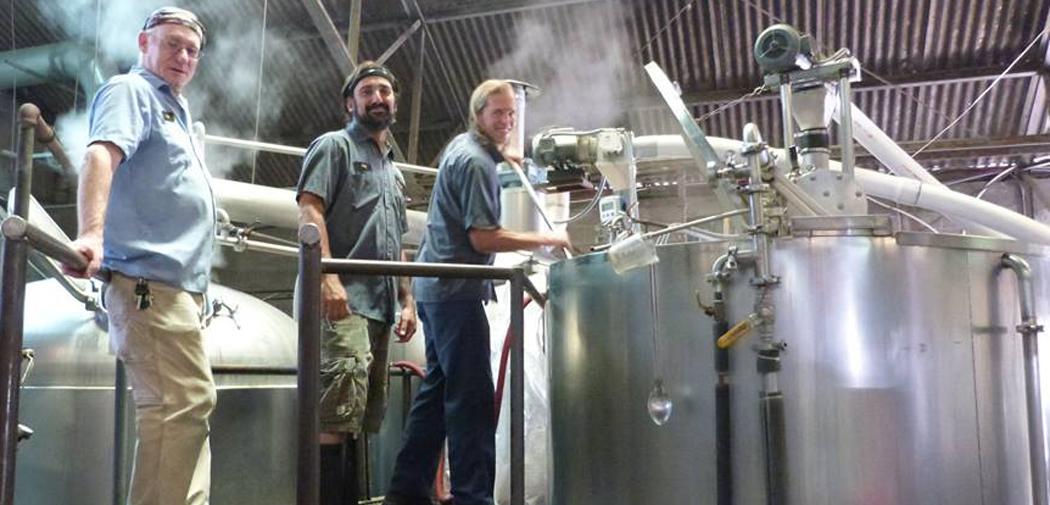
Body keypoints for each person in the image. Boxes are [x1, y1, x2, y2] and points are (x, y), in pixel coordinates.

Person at [385, 80, 571, 505]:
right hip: (456, 294)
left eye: (511, 114)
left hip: (434, 290)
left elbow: (489, 162)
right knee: (470, 402)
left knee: (436, 395)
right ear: (478, 115)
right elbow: (483, 238)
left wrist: (504, 155)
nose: (506, 121)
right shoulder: (475, 164)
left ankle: (405, 492)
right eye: (497, 114)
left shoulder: (463, 147)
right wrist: (545, 240)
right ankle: (474, 497)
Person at [61, 7, 215, 505]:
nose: (184, 56)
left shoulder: (176, 108)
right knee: (181, 405)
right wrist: (90, 234)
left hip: (176, 289)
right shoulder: (132, 92)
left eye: (191, 50)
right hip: (149, 283)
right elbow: (100, 154)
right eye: (172, 44)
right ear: (143, 43)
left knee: (184, 409)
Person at [296, 61, 418, 505]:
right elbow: (310, 210)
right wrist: (326, 278)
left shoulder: (393, 170)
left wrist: (408, 300)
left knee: (358, 418)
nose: (378, 98)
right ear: (350, 103)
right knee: (332, 417)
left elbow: (396, 244)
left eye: (385, 91)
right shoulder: (335, 147)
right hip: (341, 300)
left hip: (380, 305)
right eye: (367, 91)